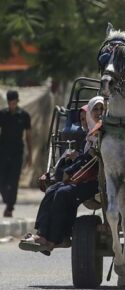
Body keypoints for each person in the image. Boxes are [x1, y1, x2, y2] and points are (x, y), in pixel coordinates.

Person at [19, 96, 104, 255]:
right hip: (83, 178)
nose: (98, 113)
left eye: (101, 109)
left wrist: (70, 172)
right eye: (95, 110)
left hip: (99, 181)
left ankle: (54, 240)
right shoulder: (89, 136)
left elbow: (92, 162)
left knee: (64, 193)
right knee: (53, 190)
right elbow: (84, 159)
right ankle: (42, 234)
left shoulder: (104, 133)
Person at [0, 90, 32, 217]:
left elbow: (29, 136)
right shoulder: (2, 114)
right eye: (9, 102)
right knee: (2, 180)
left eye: (13, 102)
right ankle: (7, 200)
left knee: (13, 181)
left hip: (17, 152)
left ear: (17, 101)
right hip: (2, 151)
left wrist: (30, 154)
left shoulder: (24, 116)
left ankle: (9, 207)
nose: (11, 104)